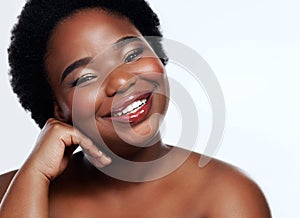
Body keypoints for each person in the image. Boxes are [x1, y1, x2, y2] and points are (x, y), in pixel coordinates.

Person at [0, 0, 271, 217]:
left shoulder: (228, 198)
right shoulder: (10, 193)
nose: (120, 81)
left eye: (131, 55)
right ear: (58, 110)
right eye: (85, 78)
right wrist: (35, 175)